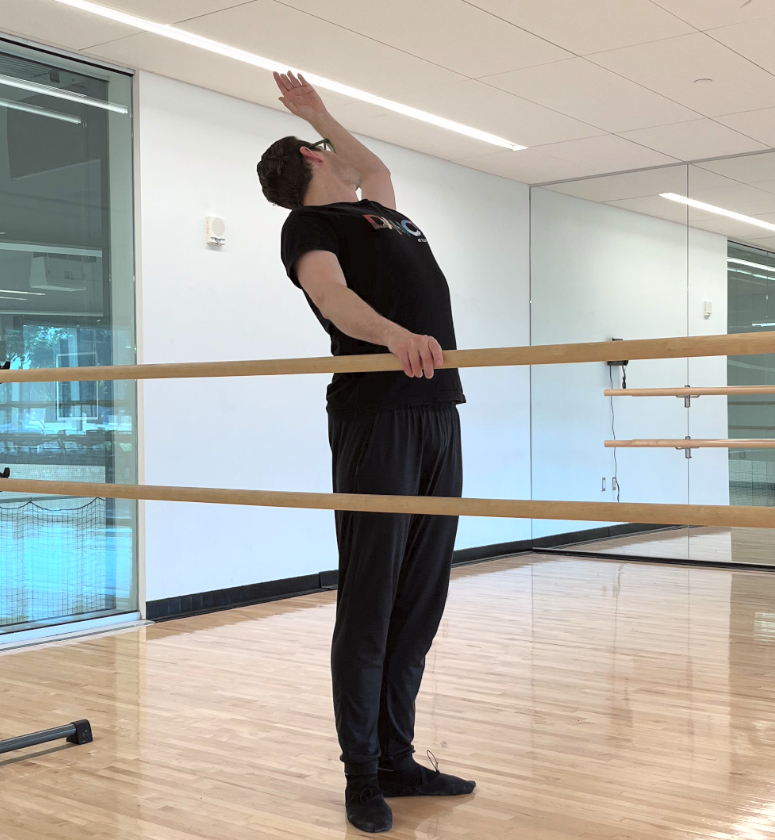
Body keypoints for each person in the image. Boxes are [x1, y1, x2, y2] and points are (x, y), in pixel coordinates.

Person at [257, 71, 475, 834]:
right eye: (325, 149)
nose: (343, 155)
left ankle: (397, 758)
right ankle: (360, 775)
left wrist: (320, 114)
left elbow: (372, 167)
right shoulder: (311, 230)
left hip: (437, 411)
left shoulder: (382, 211)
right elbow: (332, 298)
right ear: (312, 166)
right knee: (372, 596)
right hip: (376, 414)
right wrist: (395, 337)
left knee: (422, 595)